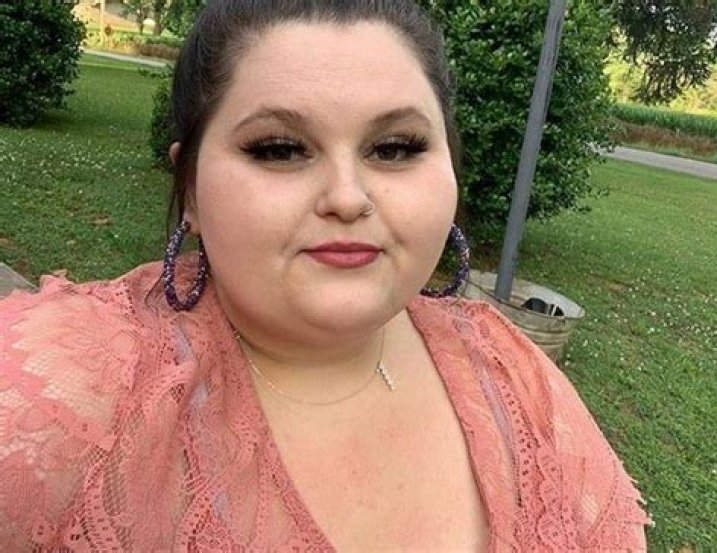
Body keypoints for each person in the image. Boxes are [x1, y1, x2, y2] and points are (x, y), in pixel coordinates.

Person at [0, 1, 650, 550]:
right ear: (190, 187)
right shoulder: (64, 397)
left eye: (395, 147)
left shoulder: (512, 371)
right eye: (279, 149)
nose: (347, 197)